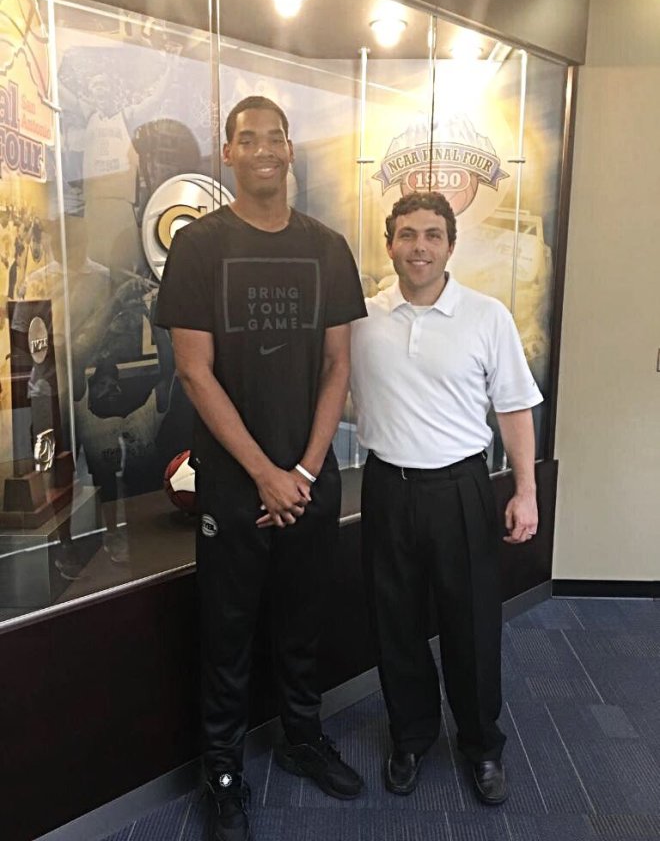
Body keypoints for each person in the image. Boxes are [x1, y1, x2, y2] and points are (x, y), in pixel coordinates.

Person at [155, 96, 367, 841]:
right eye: (249, 139)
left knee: (305, 619)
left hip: (310, 480)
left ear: (290, 150)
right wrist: (265, 476)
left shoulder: (328, 247)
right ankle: (221, 769)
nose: (265, 150)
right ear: (228, 154)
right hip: (235, 484)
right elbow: (194, 372)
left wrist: (304, 473)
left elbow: (339, 364)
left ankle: (303, 737)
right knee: (229, 630)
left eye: (276, 137)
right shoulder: (200, 248)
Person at [350, 192, 543, 806]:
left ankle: (482, 746)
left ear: (451, 246)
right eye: (407, 235)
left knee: (473, 626)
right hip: (386, 488)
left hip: (460, 488)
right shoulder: (362, 318)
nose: (420, 248)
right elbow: (334, 387)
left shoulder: (487, 316)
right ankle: (411, 737)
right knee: (395, 625)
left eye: (433, 235)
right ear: (390, 245)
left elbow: (513, 406)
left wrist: (526, 491)